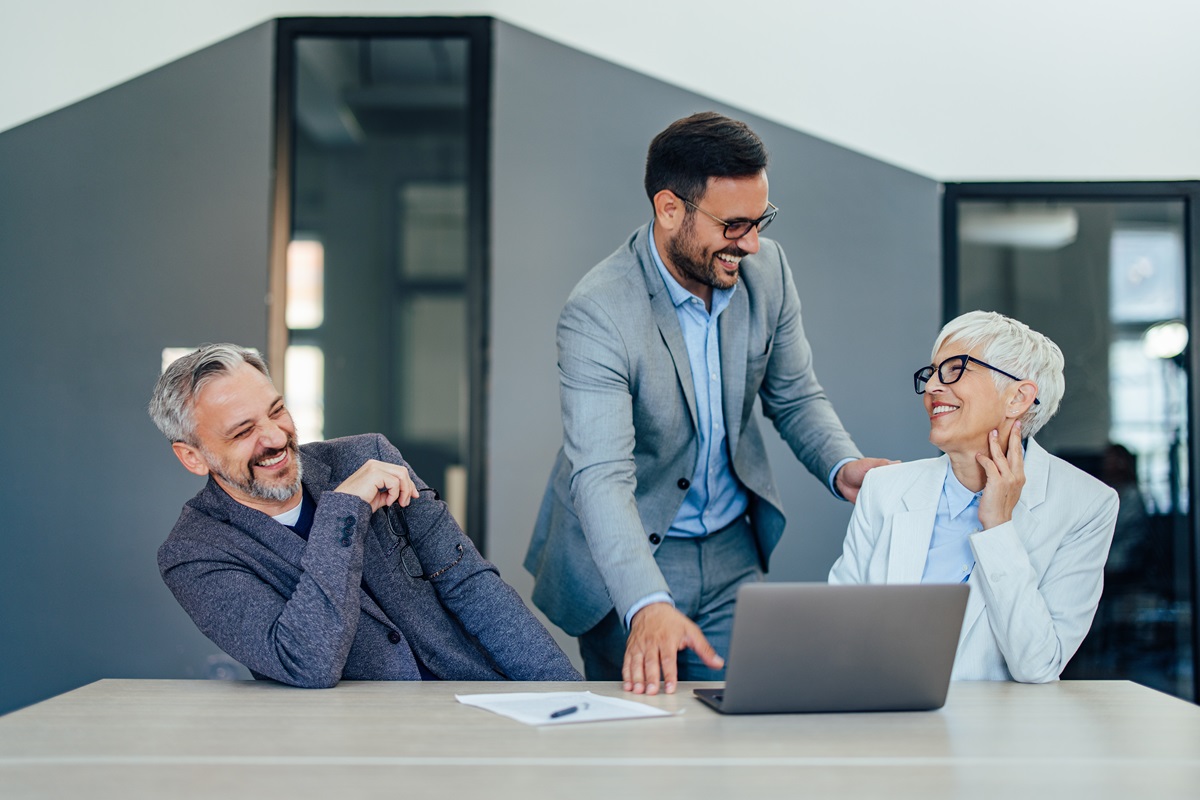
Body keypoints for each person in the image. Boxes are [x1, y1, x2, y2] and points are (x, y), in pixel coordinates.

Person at [524, 111, 892, 695]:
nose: (750, 243)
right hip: (632, 553)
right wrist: (646, 604)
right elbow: (600, 477)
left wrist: (843, 466)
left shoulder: (766, 271)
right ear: (670, 209)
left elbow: (794, 394)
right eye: (734, 225)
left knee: (741, 732)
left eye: (760, 221)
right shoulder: (599, 311)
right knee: (641, 750)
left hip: (728, 553)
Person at [150, 344, 580, 688]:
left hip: (474, 699)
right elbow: (306, 663)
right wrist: (344, 512)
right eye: (243, 432)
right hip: (348, 742)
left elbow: (469, 584)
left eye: (277, 410)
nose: (276, 436)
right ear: (193, 456)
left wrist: (568, 696)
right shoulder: (194, 554)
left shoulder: (369, 455)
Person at [829, 311, 1118, 682]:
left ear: (1017, 397)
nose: (933, 386)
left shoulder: (1087, 504)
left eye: (954, 370)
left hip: (995, 733)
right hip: (885, 720)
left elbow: (1038, 666)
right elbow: (839, 632)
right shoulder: (885, 488)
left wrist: (998, 528)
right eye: (932, 373)